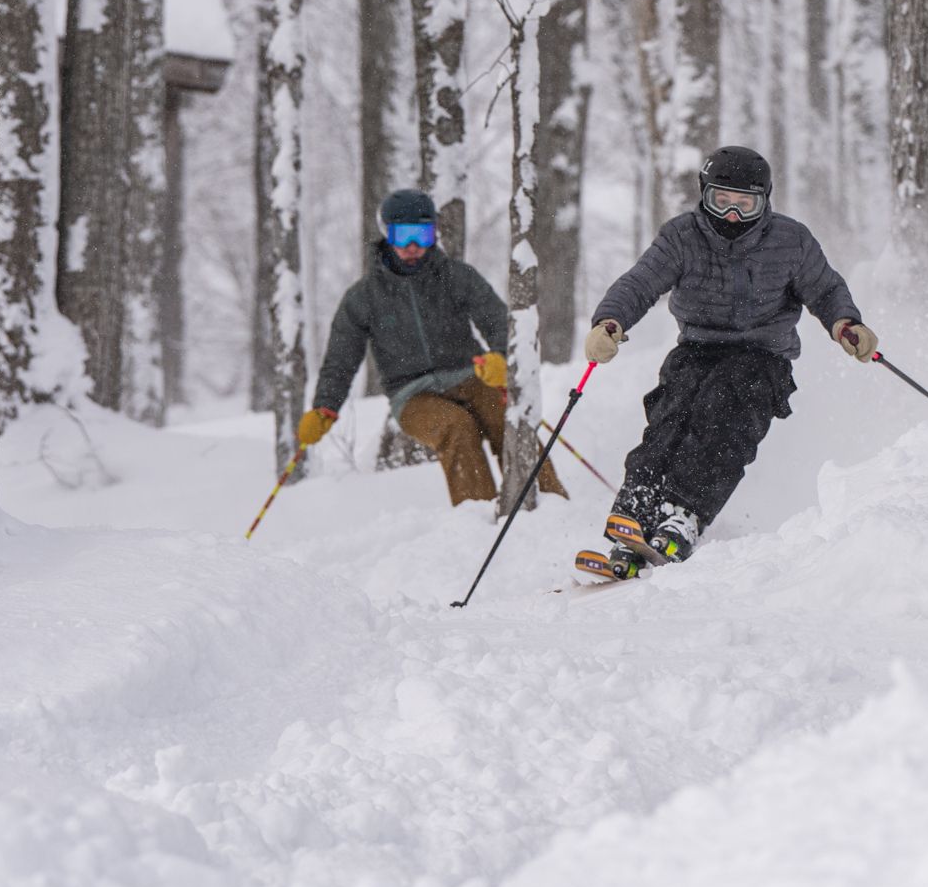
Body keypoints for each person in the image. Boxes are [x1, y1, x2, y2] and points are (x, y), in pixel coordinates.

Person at [583, 145, 878, 570]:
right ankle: (637, 507)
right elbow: (640, 283)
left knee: (723, 416)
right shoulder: (683, 236)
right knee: (672, 416)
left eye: (745, 204)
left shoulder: (790, 240)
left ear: (766, 201)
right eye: (721, 201)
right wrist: (610, 322)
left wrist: (845, 323)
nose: (733, 216)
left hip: (762, 357)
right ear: (705, 195)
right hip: (698, 349)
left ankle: (684, 514)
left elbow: (826, 289)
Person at [299, 188, 565, 506]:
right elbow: (341, 359)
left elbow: (499, 322)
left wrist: (501, 359)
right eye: (403, 235)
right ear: (387, 234)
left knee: (506, 415)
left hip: (470, 375)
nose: (413, 246)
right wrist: (325, 407)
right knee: (456, 428)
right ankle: (480, 518)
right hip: (411, 394)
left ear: (434, 234)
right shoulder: (364, 297)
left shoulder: (455, 276)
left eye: (422, 235)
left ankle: (549, 505)